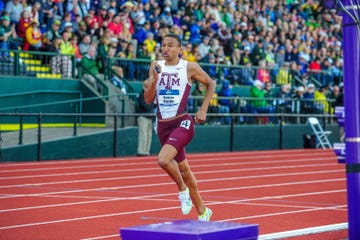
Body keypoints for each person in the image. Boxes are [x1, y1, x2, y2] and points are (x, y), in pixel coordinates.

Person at [144, 33, 215, 221]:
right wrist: (155, 80)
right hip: (162, 125)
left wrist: (203, 109)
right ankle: (203, 211)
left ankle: (183, 192)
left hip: (182, 121)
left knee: (163, 160)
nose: (166, 48)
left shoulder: (189, 67)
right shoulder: (156, 66)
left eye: (170, 45)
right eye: (163, 45)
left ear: (180, 49)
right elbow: (148, 99)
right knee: (183, 168)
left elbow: (211, 83)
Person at [137, 80, 156, 156]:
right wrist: (152, 104)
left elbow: (153, 105)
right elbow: (145, 106)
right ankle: (141, 151)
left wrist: (153, 104)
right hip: (143, 117)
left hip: (150, 117)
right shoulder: (141, 95)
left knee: (149, 135)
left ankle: (146, 151)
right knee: (143, 135)